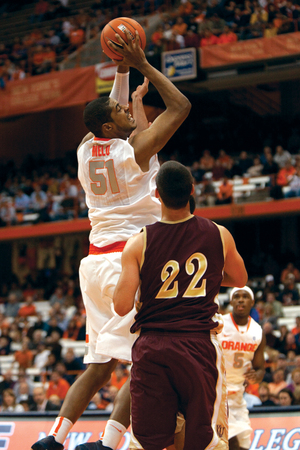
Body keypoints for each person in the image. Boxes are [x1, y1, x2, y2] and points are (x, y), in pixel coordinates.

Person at [32, 29, 191, 450]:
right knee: (146, 357)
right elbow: (181, 106)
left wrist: (119, 69)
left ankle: (55, 438)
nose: (127, 110)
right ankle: (107, 443)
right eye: (120, 111)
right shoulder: (135, 151)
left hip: (94, 264)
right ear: (109, 125)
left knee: (99, 364)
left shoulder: (87, 148)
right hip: (129, 263)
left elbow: (111, 108)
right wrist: (140, 64)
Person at [113, 161, 248, 450]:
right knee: (207, 441)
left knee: (147, 443)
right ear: (192, 190)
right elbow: (239, 279)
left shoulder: (138, 243)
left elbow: (121, 306)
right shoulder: (219, 233)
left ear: (157, 195)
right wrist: (205, 280)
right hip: (198, 347)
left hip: (152, 347)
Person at [218, 286, 266, 450]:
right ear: (231, 301)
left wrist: (257, 376)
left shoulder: (258, 331)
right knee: (233, 442)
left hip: (238, 395)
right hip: (216, 392)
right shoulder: (219, 323)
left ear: (252, 302)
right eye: (236, 296)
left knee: (244, 445)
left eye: (245, 296)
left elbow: (260, 369)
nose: (240, 299)